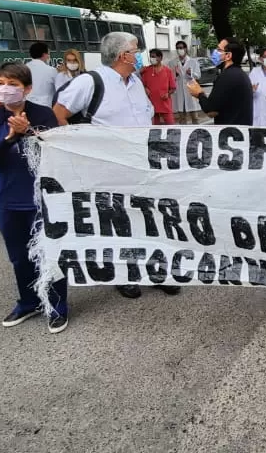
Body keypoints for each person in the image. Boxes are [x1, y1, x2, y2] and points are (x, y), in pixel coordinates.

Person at [55, 32, 180, 299]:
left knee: (150, 219)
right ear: (123, 55)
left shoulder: (135, 81)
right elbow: (59, 114)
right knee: (120, 223)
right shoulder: (90, 82)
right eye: (136, 50)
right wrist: (82, 151)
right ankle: (125, 275)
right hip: (109, 169)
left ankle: (156, 271)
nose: (139, 55)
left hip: (143, 164)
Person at [0, 61, 69, 334]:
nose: (5, 89)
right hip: (6, 197)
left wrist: (28, 132)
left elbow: (55, 151)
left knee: (49, 253)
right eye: (0, 83)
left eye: (13, 84)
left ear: (26, 89)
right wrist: (10, 138)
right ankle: (29, 302)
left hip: (40, 197)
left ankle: (57, 305)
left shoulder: (43, 114)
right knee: (19, 256)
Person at [187, 38, 253, 126]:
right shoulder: (240, 74)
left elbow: (211, 111)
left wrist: (199, 93)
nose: (215, 52)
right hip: (239, 131)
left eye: (219, 50)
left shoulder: (227, 76)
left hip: (230, 134)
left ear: (228, 55)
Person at [170, 41, 205, 124]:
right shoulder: (172, 63)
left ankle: (198, 134)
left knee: (195, 118)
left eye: (181, 47)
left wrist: (191, 73)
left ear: (185, 49)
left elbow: (198, 75)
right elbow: (170, 78)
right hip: (179, 92)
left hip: (190, 91)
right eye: (178, 48)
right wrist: (175, 74)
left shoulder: (193, 61)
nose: (179, 49)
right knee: (182, 118)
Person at [140, 48, 177, 125]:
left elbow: (173, 88)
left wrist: (168, 94)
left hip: (164, 104)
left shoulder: (167, 71)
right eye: (151, 57)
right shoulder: (146, 70)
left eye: (153, 57)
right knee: (155, 127)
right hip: (151, 104)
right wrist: (145, 88)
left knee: (171, 125)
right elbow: (141, 85)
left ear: (160, 58)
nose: (152, 59)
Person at [25, 43, 58, 107]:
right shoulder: (51, 70)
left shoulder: (24, 68)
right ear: (44, 54)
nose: (48, 56)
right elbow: (58, 89)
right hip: (45, 107)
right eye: (48, 53)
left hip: (26, 105)